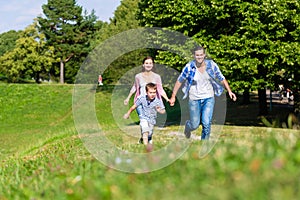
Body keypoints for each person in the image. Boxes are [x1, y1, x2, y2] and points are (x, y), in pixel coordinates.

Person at [169, 46, 237, 140]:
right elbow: (180, 80)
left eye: (201, 55)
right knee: (195, 124)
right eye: (197, 55)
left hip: (208, 97)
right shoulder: (189, 67)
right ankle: (188, 127)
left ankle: (204, 143)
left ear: (204, 55)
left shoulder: (211, 65)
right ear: (194, 56)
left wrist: (229, 91)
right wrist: (173, 96)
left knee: (206, 122)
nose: (199, 57)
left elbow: (221, 78)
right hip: (194, 99)